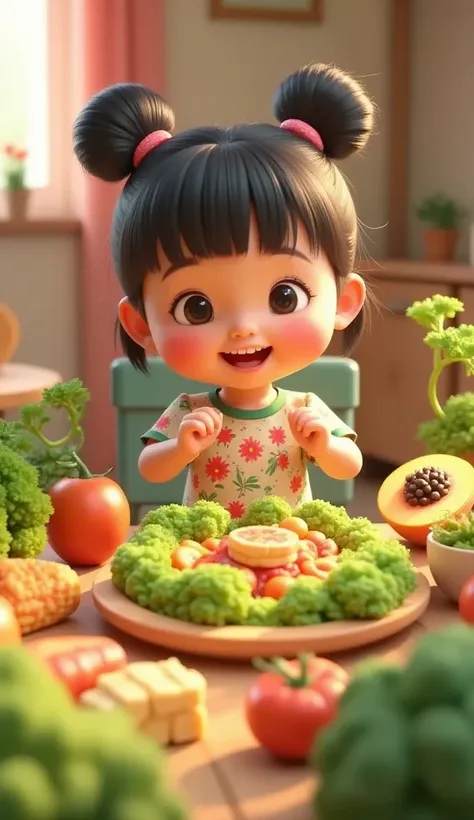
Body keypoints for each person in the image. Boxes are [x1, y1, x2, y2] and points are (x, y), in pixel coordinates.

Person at [73, 62, 374, 517]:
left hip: (291, 548)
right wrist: (182, 445)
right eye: (197, 308)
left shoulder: (305, 407)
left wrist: (324, 443)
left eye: (284, 296)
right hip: (203, 549)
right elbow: (150, 469)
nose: (243, 329)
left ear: (345, 301)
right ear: (141, 325)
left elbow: (349, 467)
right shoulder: (189, 409)